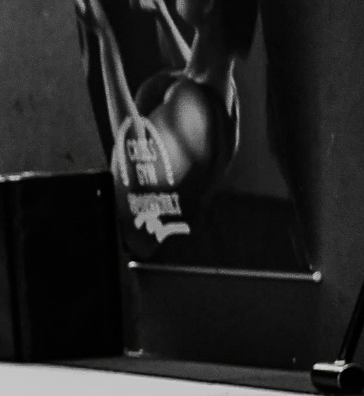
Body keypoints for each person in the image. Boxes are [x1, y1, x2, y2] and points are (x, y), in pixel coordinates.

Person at [76, 0, 257, 256]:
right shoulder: (220, 88)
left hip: (137, 259)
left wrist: (105, 38)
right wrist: (162, 15)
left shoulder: (194, 110)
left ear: (209, 5)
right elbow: (191, 71)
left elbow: (141, 165)